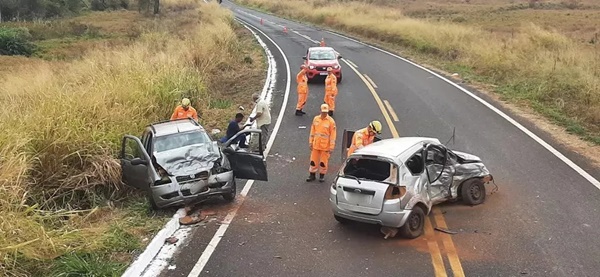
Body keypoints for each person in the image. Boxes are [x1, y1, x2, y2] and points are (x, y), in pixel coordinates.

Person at [307, 103, 337, 183]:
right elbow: (312, 131)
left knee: (323, 162)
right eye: (323, 112)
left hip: (325, 146)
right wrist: (310, 142)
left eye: (325, 112)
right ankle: (312, 175)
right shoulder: (316, 119)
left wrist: (331, 146)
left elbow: (333, 135)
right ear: (320, 111)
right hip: (316, 144)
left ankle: (322, 175)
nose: (324, 113)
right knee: (313, 161)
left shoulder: (331, 122)